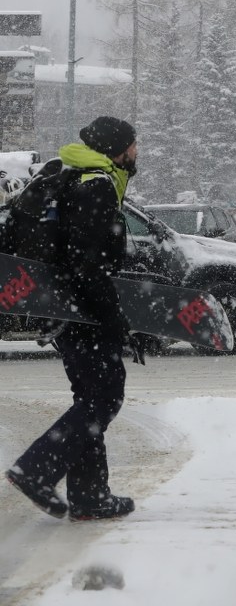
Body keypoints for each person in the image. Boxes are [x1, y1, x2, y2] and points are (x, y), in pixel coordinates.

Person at [6, 116, 140, 521]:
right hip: (81, 309)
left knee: (91, 397)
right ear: (118, 148)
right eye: (133, 145)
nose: (137, 152)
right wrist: (113, 318)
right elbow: (87, 263)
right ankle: (36, 470)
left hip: (60, 306)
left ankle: (90, 496)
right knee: (105, 396)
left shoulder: (71, 173)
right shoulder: (95, 185)